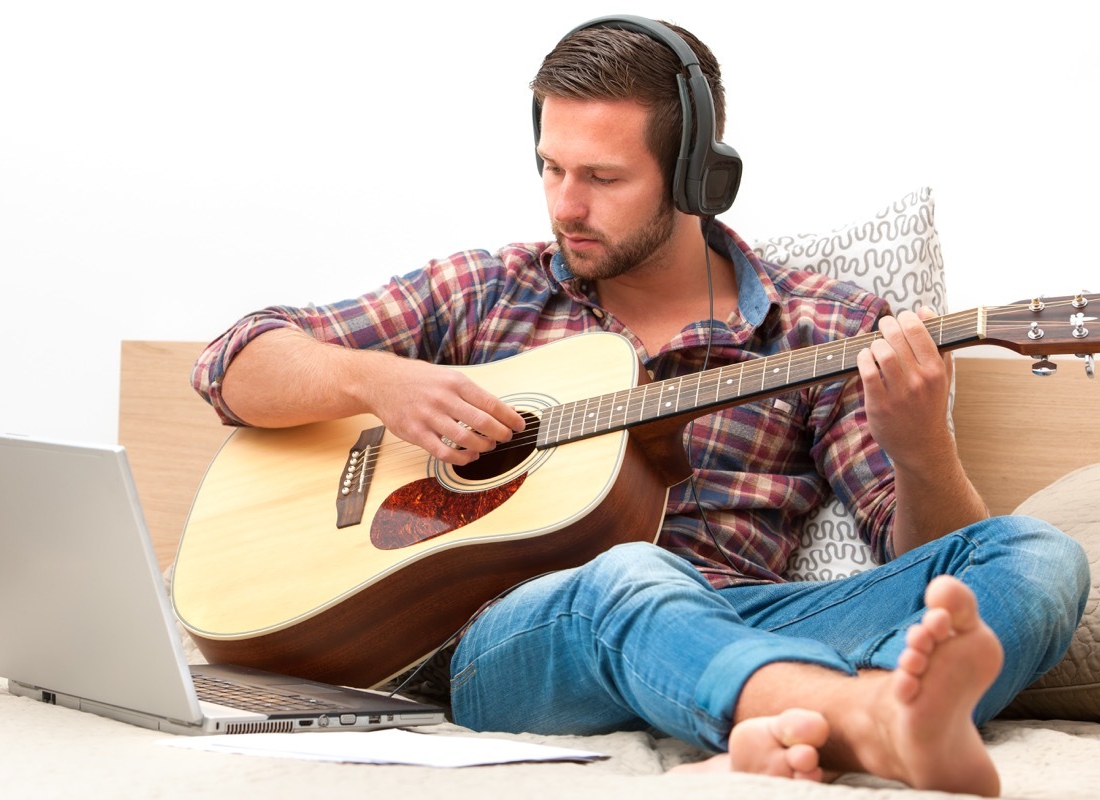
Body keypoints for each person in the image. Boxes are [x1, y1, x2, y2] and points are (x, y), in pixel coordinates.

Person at [191, 16, 1088, 796]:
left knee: (1040, 555)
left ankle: (796, 717)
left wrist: (922, 446)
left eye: (603, 178)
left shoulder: (826, 325)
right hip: (523, 642)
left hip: (745, 614)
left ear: (698, 177)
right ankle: (866, 719)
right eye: (550, 168)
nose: (565, 207)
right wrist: (376, 381)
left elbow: (929, 568)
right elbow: (235, 361)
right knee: (632, 575)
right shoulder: (487, 288)